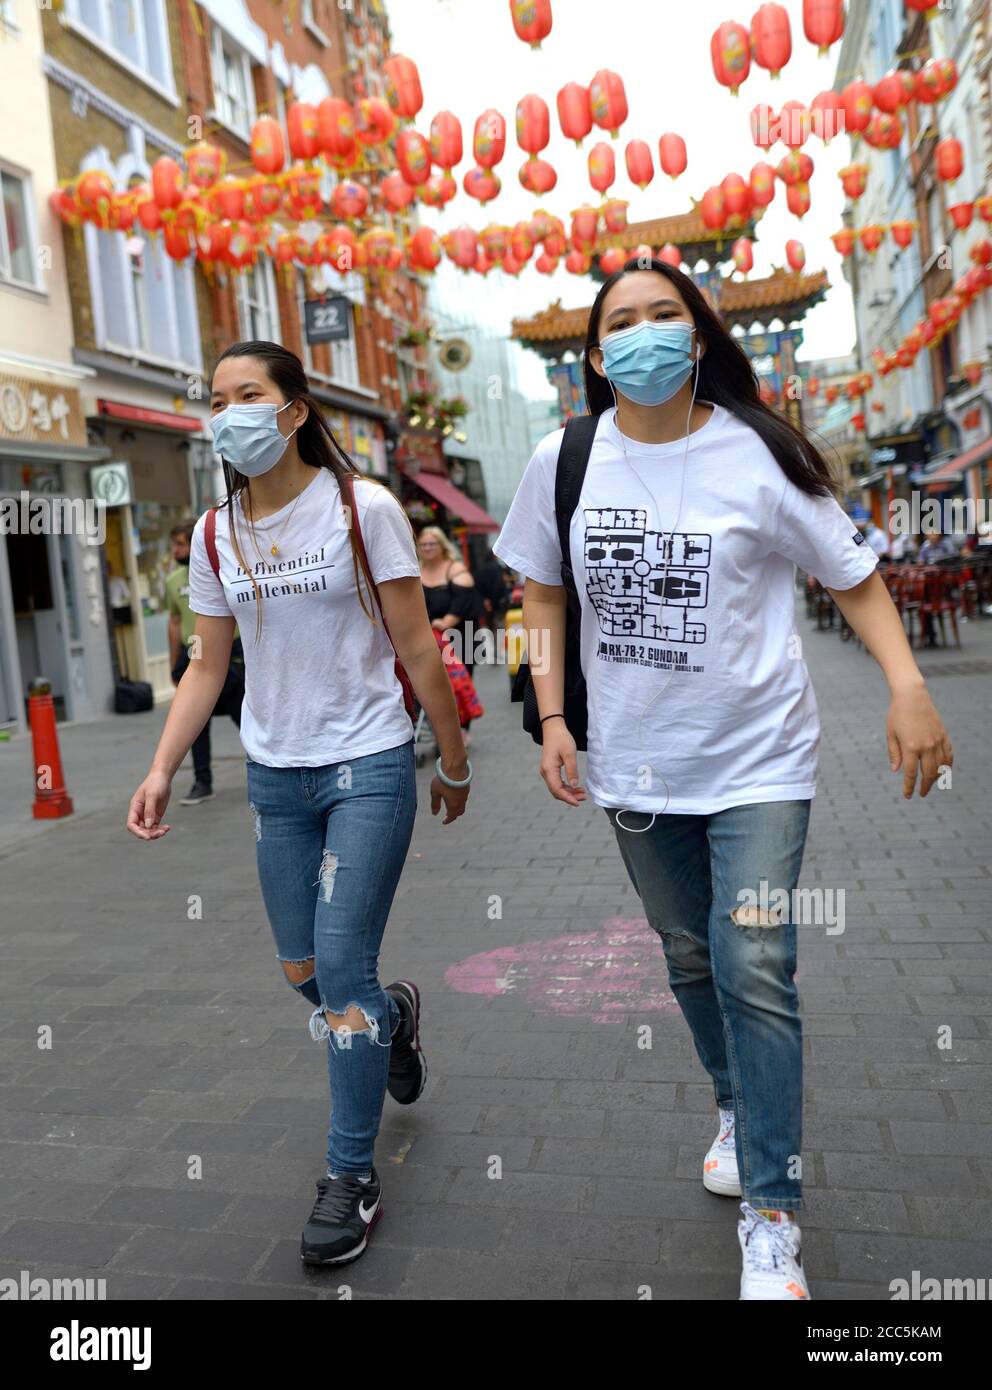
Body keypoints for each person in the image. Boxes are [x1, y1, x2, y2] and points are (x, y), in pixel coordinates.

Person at [494, 259, 953, 1301]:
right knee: (689, 953)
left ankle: (772, 1216)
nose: (646, 334)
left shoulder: (755, 453)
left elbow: (853, 575)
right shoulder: (563, 459)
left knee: (752, 965)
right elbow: (542, 597)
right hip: (634, 759)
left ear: (698, 338)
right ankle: (737, 1109)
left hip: (757, 759)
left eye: (667, 315)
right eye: (623, 321)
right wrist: (554, 716)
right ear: (595, 353)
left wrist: (907, 684)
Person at [127, 341, 472, 1266]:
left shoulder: (366, 508)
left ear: (292, 409)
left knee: (341, 971)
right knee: (303, 976)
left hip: (366, 762)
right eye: (216, 396)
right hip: (275, 777)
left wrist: (452, 759)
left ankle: (351, 1178)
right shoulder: (214, 534)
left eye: (249, 394)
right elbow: (208, 664)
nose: (228, 410)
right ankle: (394, 1019)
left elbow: (416, 644)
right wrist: (163, 766)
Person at [166, 519, 245, 805]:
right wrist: (173, 662)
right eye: (173, 544)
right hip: (193, 656)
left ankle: (272, 767)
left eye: (180, 544)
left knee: (245, 716)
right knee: (196, 724)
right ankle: (203, 782)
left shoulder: (221, 569)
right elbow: (174, 621)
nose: (175, 550)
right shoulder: (173, 582)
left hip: (229, 656)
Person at [419, 525, 483, 740]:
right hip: (429, 638)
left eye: (432, 544)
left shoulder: (455, 569)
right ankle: (442, 728)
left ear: (442, 545)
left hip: (461, 635)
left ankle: (463, 729)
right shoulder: (416, 570)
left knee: (460, 681)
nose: (427, 548)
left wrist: (447, 621)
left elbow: (464, 601)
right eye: (424, 544)